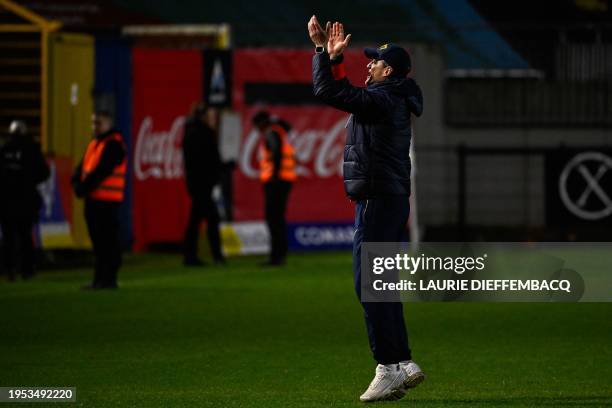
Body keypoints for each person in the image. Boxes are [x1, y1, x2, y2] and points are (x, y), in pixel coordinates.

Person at [308, 16, 425, 402]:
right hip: (388, 200)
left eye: (375, 62)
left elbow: (331, 92)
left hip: (377, 201)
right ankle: (402, 361)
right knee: (383, 286)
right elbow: (346, 92)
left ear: (387, 69)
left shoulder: (384, 98)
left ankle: (387, 368)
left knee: (368, 286)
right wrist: (332, 59)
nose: (369, 65)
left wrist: (322, 55)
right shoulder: (392, 96)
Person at [72, 111, 126, 289]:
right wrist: (78, 184)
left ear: (109, 124)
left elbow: (102, 171)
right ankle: (99, 279)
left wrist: (83, 187)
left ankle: (108, 279)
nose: (95, 127)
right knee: (98, 242)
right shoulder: (95, 144)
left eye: (98, 123)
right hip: (94, 200)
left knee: (107, 241)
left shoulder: (113, 145)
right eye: (93, 123)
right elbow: (81, 169)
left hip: (107, 201)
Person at [0, 120, 50, 281]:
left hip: (6, 200)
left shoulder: (4, 149)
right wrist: (28, 181)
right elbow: (44, 173)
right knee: (25, 236)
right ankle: (27, 270)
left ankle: (9, 270)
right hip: (25, 199)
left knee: (8, 237)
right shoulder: (31, 148)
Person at [182, 103, 225, 266]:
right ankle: (215, 256)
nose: (213, 119)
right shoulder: (201, 133)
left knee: (198, 220)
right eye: (211, 116)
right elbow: (206, 161)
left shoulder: (193, 131)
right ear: (203, 117)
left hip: (199, 184)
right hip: (202, 185)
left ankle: (192, 256)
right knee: (209, 220)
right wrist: (218, 170)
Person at [252, 111, 297, 266]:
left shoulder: (271, 133)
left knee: (273, 219)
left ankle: (275, 257)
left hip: (276, 182)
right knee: (278, 219)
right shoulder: (280, 132)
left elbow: (276, 153)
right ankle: (280, 255)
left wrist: (274, 175)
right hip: (284, 180)